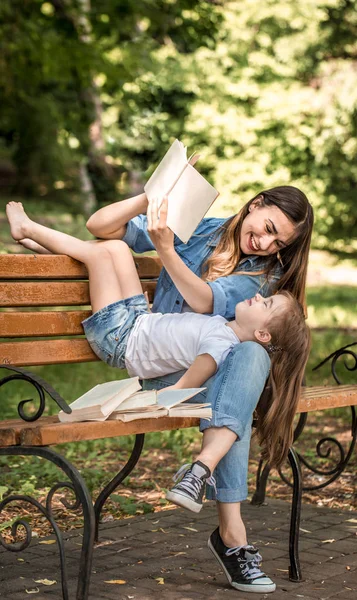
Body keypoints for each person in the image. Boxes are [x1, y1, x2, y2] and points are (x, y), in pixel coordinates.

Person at [7, 184, 314, 594]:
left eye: (279, 242)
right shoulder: (203, 228)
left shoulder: (265, 272)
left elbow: (205, 301)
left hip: (183, 370)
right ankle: (228, 531)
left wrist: (165, 250)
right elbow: (100, 227)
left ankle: (206, 482)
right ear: (255, 203)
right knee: (236, 394)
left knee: (249, 361)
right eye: (269, 227)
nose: (267, 243)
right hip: (151, 359)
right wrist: (151, 194)